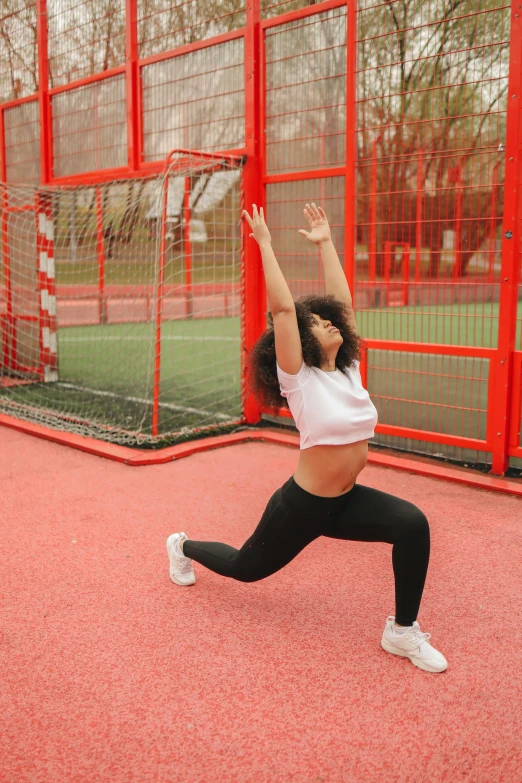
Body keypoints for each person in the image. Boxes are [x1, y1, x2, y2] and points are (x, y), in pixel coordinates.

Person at [167, 202, 447, 674]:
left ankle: (401, 632)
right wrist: (265, 244)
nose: (330, 322)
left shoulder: (350, 371)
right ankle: (182, 546)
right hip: (301, 507)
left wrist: (325, 243)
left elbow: (345, 303)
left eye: (327, 320)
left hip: (345, 501)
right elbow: (282, 309)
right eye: (318, 323)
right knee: (244, 568)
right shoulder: (300, 379)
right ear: (306, 341)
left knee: (412, 525)